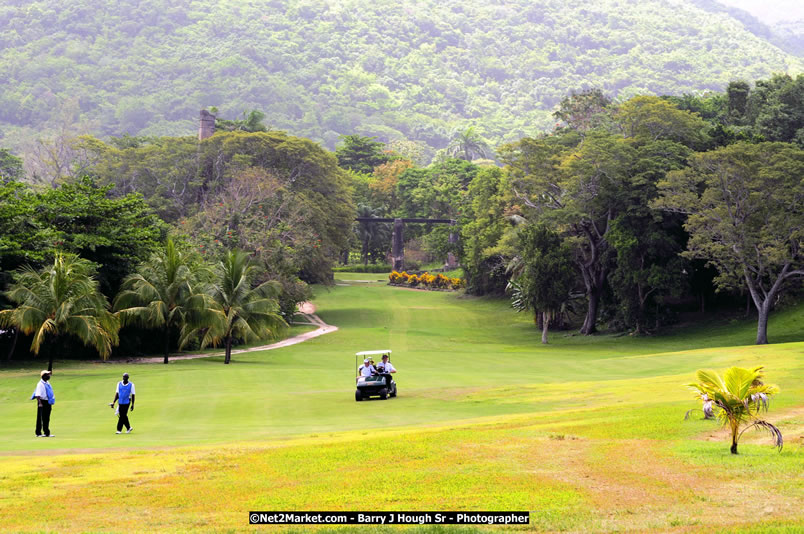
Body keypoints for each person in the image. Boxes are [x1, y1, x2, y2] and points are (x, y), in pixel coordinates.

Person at [32, 370, 55, 437]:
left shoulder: (47, 383)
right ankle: (38, 433)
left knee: (46, 418)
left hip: (47, 402)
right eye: (47, 375)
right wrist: (40, 403)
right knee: (40, 418)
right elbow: (37, 395)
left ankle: (46, 433)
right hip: (42, 402)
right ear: (43, 376)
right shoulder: (40, 384)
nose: (49, 376)